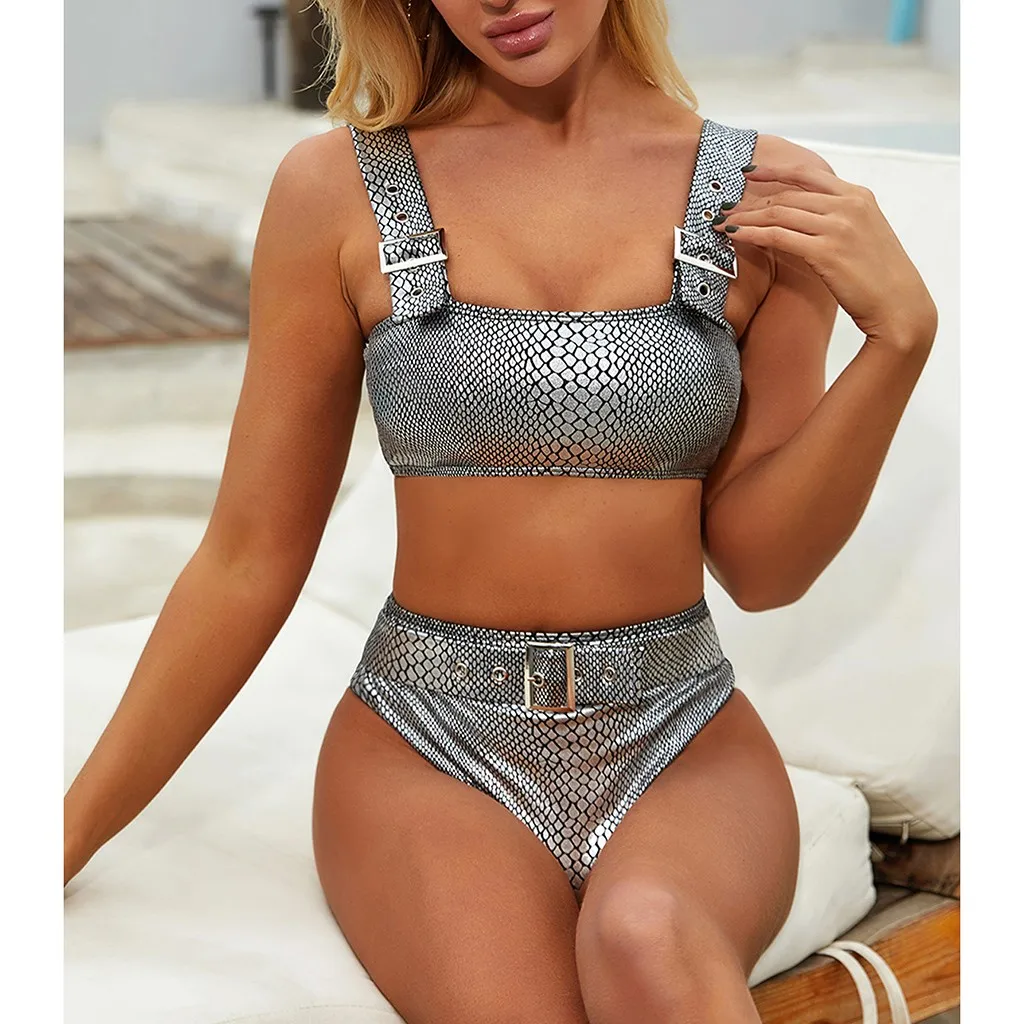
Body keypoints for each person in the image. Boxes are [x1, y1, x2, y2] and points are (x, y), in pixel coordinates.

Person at [63, 1, 938, 1021]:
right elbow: (248, 557)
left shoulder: (764, 197)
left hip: (682, 735)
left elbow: (764, 567)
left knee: (648, 935)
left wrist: (899, 342)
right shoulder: (336, 190)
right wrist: (63, 833)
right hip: (424, 743)